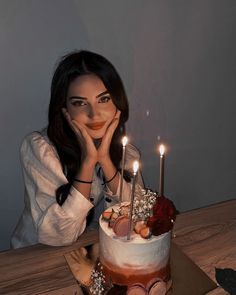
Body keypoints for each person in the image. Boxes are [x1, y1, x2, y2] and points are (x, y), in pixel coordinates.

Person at [11, 50, 143, 248]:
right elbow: (57, 236)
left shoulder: (126, 152)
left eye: (104, 99)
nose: (94, 114)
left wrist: (105, 160)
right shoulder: (40, 149)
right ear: (64, 108)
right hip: (35, 255)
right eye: (80, 103)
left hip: (84, 249)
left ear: (118, 102)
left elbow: (137, 217)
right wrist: (88, 162)